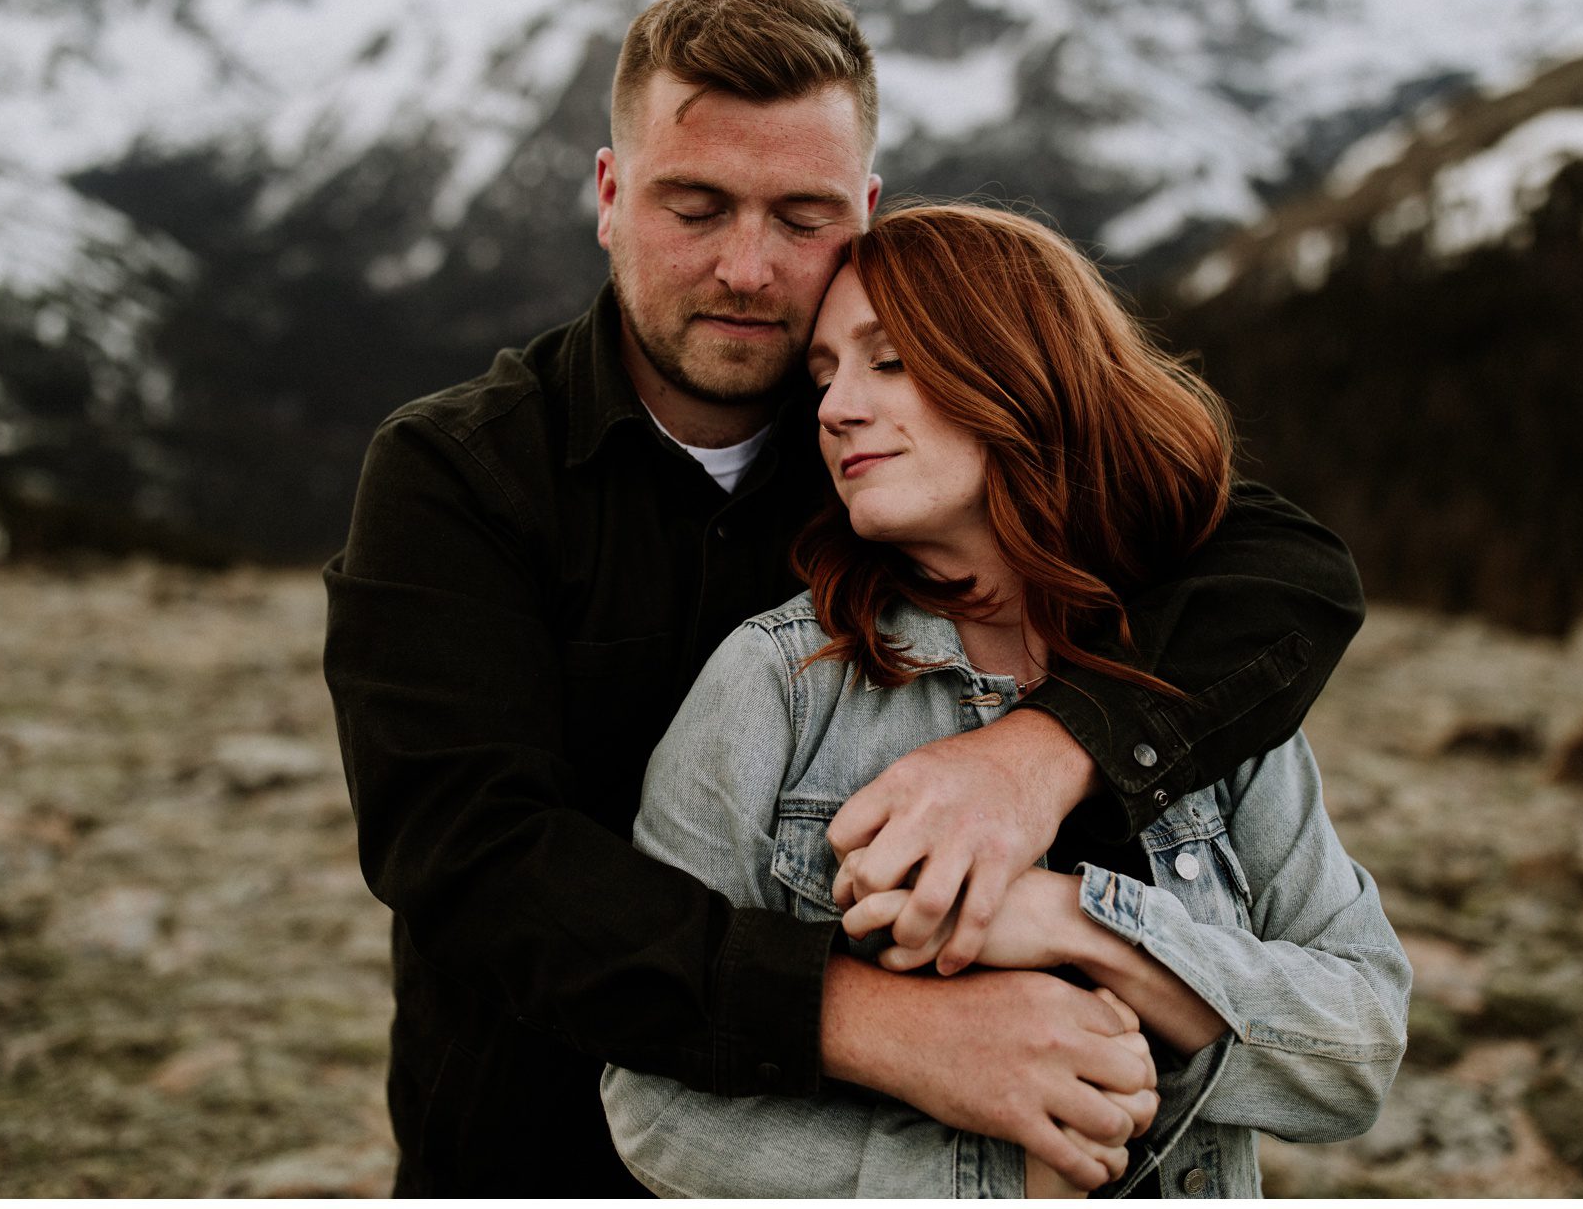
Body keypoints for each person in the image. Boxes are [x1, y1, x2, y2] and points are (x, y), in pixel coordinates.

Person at [323, 0, 1367, 1196]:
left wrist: (1034, 758)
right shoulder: (457, 472)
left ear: (864, 213)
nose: (749, 267)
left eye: (800, 216)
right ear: (609, 196)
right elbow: (470, 857)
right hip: (535, 1140)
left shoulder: (900, 460)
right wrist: (873, 1020)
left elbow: (1283, 568)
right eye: (695, 205)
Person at [601, 203, 1409, 1197]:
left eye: (887, 360)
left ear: (1020, 372)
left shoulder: (1191, 683)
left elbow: (1360, 1046)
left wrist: (1083, 922)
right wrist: (984, 1183)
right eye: (823, 374)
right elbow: (653, 1100)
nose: (834, 407)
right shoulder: (773, 687)